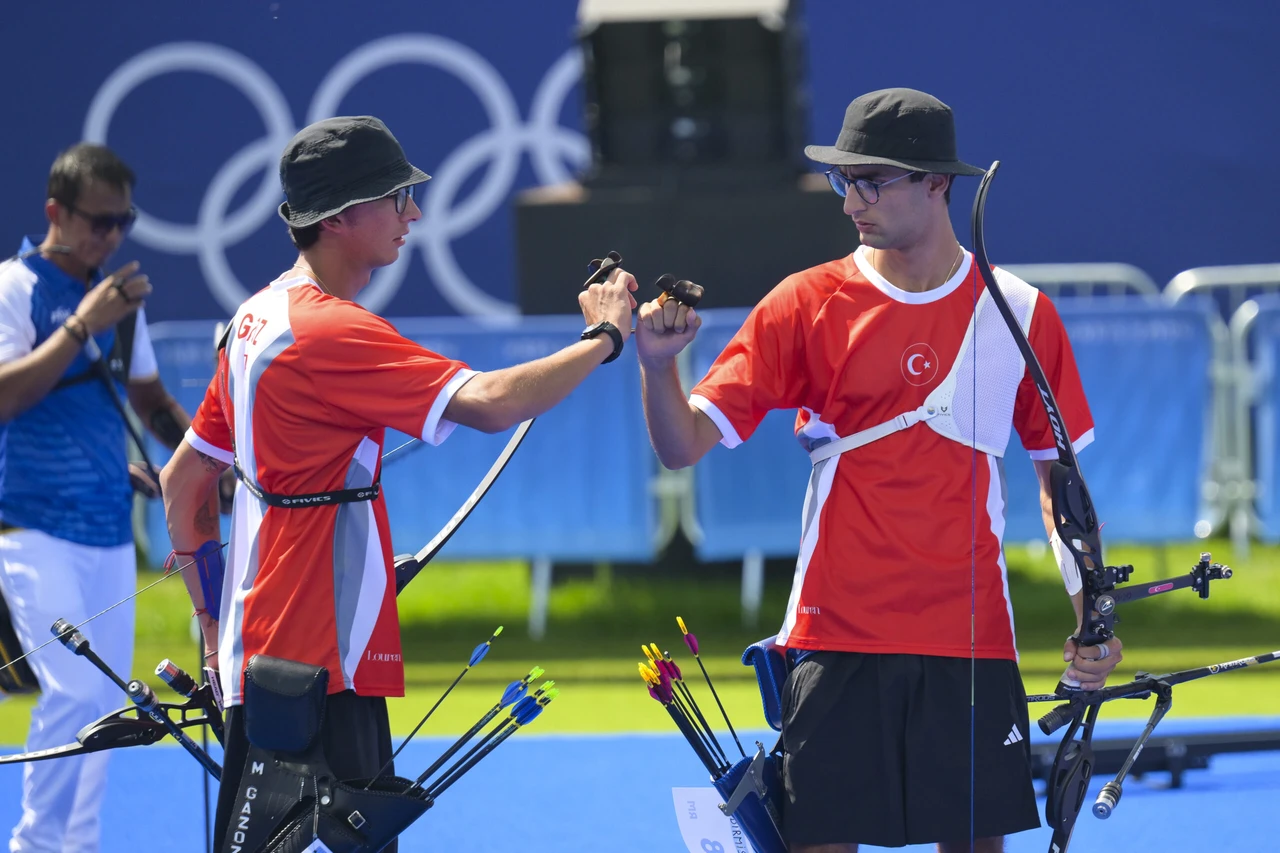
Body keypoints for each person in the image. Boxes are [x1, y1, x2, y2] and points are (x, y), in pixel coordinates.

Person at [635, 88, 1125, 852]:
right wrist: (657, 367)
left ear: (936, 182)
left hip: (970, 638)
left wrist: (1092, 611)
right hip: (836, 636)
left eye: (872, 180)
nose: (850, 201)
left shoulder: (1021, 312)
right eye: (844, 180)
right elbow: (682, 443)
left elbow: (1059, 487)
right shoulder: (806, 302)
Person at [157, 115, 637, 850]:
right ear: (342, 217)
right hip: (326, 659)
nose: (414, 213)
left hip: (259, 653)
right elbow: (490, 402)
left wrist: (211, 623)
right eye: (396, 197)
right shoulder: (326, 329)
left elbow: (182, 480)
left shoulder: (255, 318)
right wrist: (603, 338)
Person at [0, 143, 196, 852]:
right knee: (76, 692)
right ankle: (34, 844)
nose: (111, 238)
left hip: (109, 527)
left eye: (123, 223)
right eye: (97, 222)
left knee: (107, 703)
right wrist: (81, 323)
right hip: (28, 525)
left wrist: (204, 463)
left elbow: (149, 402)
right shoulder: (16, 288)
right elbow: (6, 396)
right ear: (56, 212)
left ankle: (77, 845)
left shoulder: (118, 304)